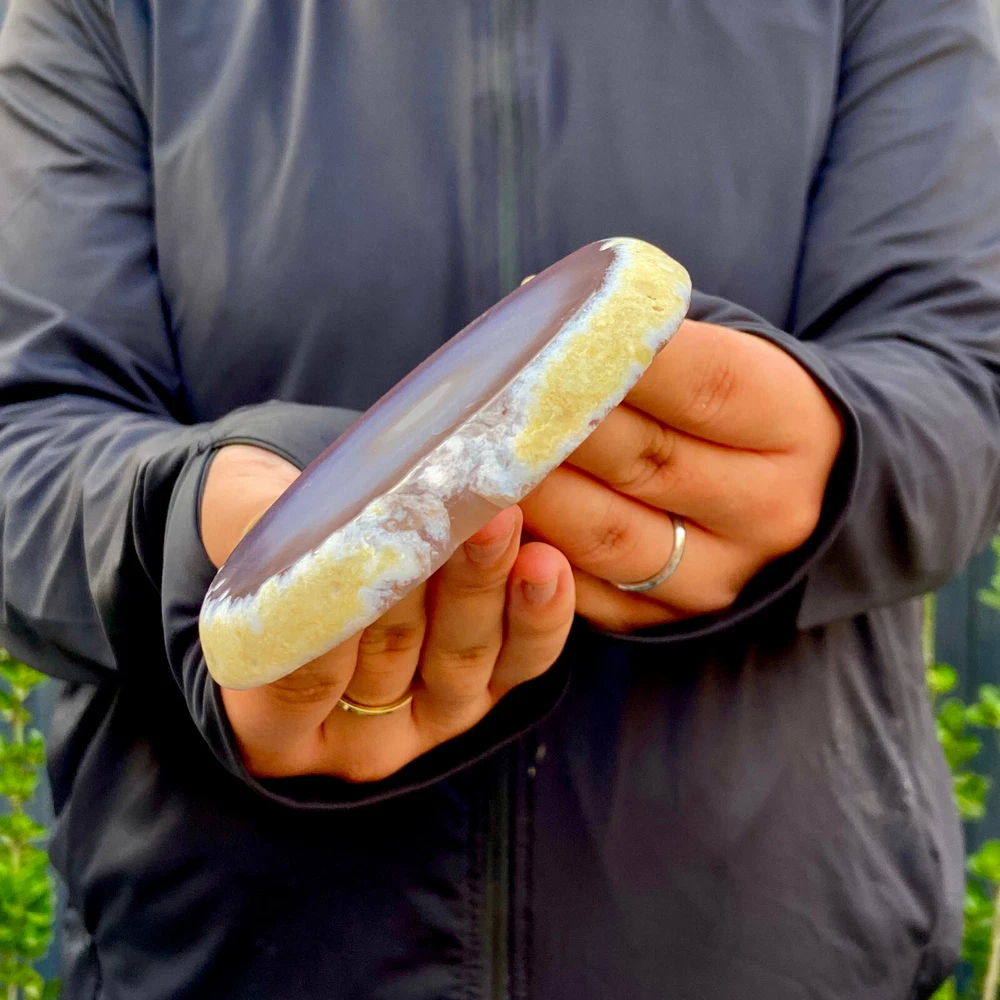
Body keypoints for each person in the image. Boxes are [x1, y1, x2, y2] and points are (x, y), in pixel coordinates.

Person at [0, 0, 998, 996]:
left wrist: (837, 457)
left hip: (772, 940)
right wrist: (185, 541)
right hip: (223, 951)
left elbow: (963, 374)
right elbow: (26, 430)